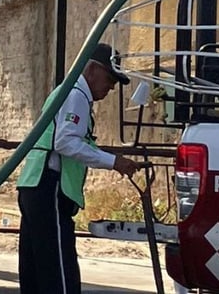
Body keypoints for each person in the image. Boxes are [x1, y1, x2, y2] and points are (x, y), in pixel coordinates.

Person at [16, 42, 140, 294]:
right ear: (92, 70)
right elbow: (65, 141)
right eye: (109, 79)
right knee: (59, 274)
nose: (110, 88)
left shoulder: (67, 92)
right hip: (49, 187)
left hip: (33, 185)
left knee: (37, 269)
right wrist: (113, 161)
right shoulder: (76, 95)